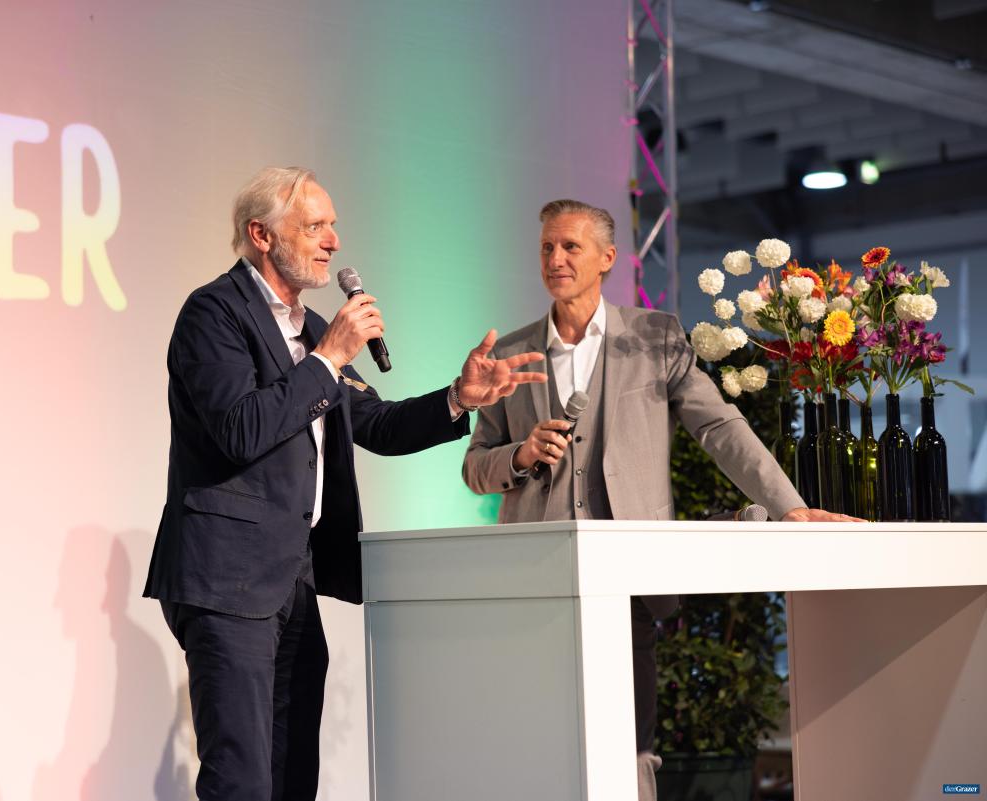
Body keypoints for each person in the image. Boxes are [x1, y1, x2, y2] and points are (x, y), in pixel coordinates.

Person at [143, 166, 545, 801]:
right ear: (261, 235)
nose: (333, 241)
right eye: (315, 227)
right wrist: (328, 357)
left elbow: (376, 424)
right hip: (226, 580)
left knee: (293, 777)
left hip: (292, 579)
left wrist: (458, 398)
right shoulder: (214, 313)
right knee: (241, 779)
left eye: (332, 226)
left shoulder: (308, 328)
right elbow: (239, 430)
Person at [462, 199, 858, 800]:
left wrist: (787, 506)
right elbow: (475, 467)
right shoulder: (510, 353)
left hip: (631, 575)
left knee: (631, 742)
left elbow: (718, 425)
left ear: (607, 259)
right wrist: (518, 456)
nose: (555, 258)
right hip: (536, 575)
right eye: (547, 247)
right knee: (539, 736)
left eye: (570, 246)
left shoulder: (654, 337)